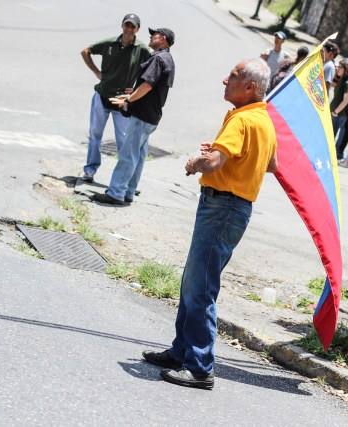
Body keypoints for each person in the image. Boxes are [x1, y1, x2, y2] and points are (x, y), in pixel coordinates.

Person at [141, 58, 278, 390]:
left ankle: (200, 367)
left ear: (250, 87)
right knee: (194, 281)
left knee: (200, 286)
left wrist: (196, 162)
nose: (224, 80)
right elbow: (271, 164)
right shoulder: (263, 120)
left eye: (232, 76)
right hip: (234, 208)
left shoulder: (243, 119)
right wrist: (225, 155)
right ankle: (181, 352)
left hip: (223, 206)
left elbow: (213, 163)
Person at [91, 28, 176, 206]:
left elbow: (148, 85)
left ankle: (116, 193)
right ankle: (128, 191)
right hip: (151, 116)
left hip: (142, 115)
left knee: (128, 154)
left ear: (164, 39)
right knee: (138, 155)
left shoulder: (158, 58)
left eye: (155, 34)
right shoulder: (167, 59)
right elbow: (151, 87)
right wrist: (132, 94)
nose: (151, 36)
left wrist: (129, 99)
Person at [81, 13, 150, 183]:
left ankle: (124, 180)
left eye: (132, 26)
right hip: (102, 95)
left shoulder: (141, 49)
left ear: (137, 29)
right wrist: (97, 72)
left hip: (122, 103)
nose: (129, 29)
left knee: (124, 142)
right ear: (122, 26)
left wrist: (134, 89)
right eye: (127, 25)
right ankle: (90, 170)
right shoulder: (109, 43)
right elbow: (85, 51)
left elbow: (149, 72)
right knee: (95, 135)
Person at [330, 58, 348, 154]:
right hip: (335, 113)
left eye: (340, 67)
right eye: (337, 66)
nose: (337, 68)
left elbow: (346, 101)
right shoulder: (341, 80)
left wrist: (335, 112)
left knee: (330, 136)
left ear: (346, 70)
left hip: (338, 114)